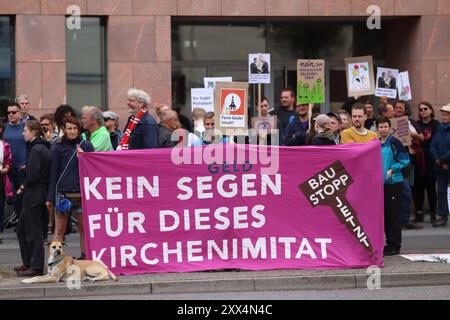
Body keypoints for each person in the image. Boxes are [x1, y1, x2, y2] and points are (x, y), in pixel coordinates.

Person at [47, 116, 95, 260]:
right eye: (69, 128)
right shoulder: (58, 147)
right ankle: (56, 261)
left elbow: (94, 169)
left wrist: (84, 158)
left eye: (75, 128)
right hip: (63, 194)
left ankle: (85, 258)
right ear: (64, 130)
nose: (72, 131)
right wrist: (50, 197)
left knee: (83, 229)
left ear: (79, 129)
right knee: (60, 230)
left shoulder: (86, 146)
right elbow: (53, 173)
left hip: (82, 194)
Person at [15, 121, 51, 276]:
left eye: (25, 130)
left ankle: (36, 267)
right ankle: (28, 263)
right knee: (22, 229)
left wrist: (22, 186)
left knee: (33, 231)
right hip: (38, 192)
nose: (23, 133)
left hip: (34, 193)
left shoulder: (36, 149)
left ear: (33, 132)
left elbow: (33, 175)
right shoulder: (41, 147)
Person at [377, 117, 410, 256]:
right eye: (381, 127)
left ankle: (395, 245)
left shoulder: (395, 142)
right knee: (385, 215)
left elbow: (405, 160)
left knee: (393, 215)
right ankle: (389, 243)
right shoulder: (376, 143)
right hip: (381, 184)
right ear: (377, 128)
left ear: (389, 128)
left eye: (385, 126)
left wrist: (393, 169)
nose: (383, 129)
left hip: (394, 183)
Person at [393, 101, 424, 230]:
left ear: (406, 110)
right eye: (396, 108)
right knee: (401, 192)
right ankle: (398, 220)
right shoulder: (390, 123)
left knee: (408, 191)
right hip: (396, 162)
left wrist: (411, 134)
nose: (398, 110)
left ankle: (405, 219)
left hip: (410, 161)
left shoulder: (412, 123)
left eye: (401, 108)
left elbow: (422, 137)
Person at [414, 102, 440, 223]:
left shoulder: (436, 124)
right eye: (421, 109)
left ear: (431, 110)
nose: (423, 111)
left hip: (431, 159)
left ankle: (433, 213)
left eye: (425, 108)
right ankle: (419, 213)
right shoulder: (416, 124)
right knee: (418, 187)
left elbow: (435, 141)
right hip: (419, 159)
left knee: (431, 188)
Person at [4, 103, 27, 220]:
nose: (11, 115)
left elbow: (31, 146)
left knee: (20, 197)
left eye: (13, 112)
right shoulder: (4, 127)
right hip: (6, 168)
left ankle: (21, 223)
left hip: (21, 168)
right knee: (5, 197)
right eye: (8, 112)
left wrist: (28, 164)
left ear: (20, 113)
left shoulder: (26, 127)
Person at [430, 104, 450, 227]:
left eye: (446, 114)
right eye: (443, 114)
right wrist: (437, 159)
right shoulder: (439, 128)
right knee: (441, 192)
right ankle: (443, 216)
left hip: (447, 164)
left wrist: (443, 160)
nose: (444, 116)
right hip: (440, 166)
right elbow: (432, 145)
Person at [0, 121, 12, 244]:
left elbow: (8, 160)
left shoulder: (4, 145)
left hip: (1, 178)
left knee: (0, 206)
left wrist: (6, 168)